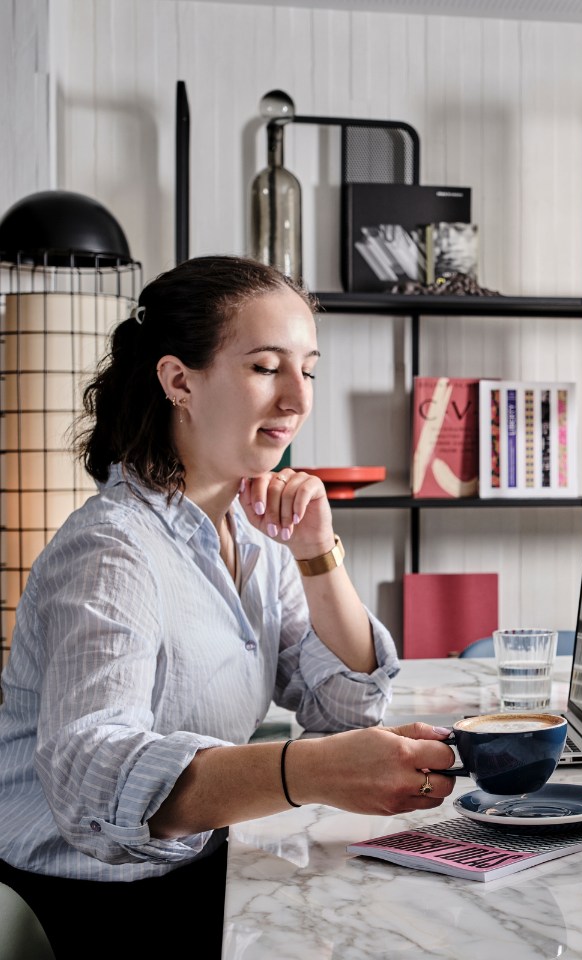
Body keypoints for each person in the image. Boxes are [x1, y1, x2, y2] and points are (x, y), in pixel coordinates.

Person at [0, 255, 455, 958]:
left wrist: (317, 550)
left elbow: (344, 708)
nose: (297, 401)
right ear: (180, 380)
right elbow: (90, 782)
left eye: (307, 369)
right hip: (93, 903)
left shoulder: (253, 532)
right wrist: (312, 772)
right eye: (266, 367)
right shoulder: (111, 550)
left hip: (192, 863)